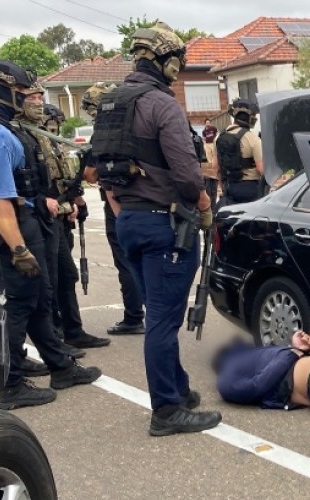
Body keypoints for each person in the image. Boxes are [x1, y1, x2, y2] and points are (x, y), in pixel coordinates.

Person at [93, 21, 221, 436]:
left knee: (157, 314)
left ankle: (178, 389)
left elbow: (101, 172)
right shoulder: (162, 104)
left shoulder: (113, 102)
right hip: (162, 224)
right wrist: (204, 205)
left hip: (128, 220)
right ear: (166, 62)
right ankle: (166, 410)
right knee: (163, 322)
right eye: (177, 63)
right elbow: (186, 174)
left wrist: (122, 210)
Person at [0, 59, 101, 410]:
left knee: (40, 297)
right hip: (9, 225)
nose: (27, 98)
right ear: (3, 90)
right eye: (22, 92)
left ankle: (60, 366)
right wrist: (19, 248)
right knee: (20, 304)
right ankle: (11, 386)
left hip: (11, 220)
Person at [16, 86, 110, 353]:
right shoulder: (20, 133)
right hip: (38, 213)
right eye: (31, 98)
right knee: (48, 283)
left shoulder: (42, 136)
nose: (37, 103)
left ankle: (72, 330)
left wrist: (72, 201)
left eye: (39, 98)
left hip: (58, 213)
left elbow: (60, 174)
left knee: (65, 276)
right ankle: (54, 335)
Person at [80, 82, 145, 336]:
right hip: (145, 199)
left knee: (125, 261)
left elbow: (91, 174)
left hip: (117, 202)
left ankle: (133, 316)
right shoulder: (137, 125)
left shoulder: (104, 133)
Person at [214, 98, 264, 206]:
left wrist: (222, 186)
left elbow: (216, 167)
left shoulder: (220, 137)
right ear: (249, 117)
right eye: (254, 115)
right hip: (250, 189)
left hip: (229, 188)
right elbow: (261, 169)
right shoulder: (253, 139)